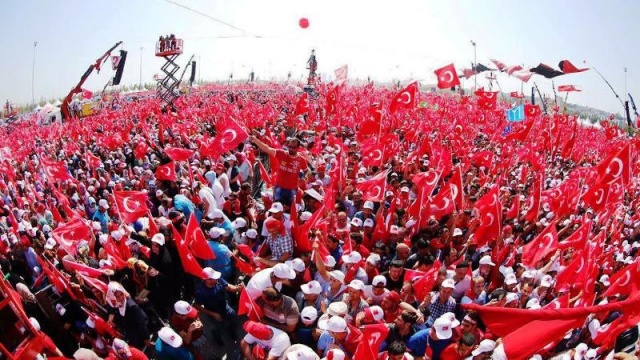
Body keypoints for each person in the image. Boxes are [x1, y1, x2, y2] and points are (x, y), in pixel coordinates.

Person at [249, 135, 308, 207]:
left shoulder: (302, 160)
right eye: (289, 146)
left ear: (298, 148)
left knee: (289, 209)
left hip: (292, 190)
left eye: (293, 147)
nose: (291, 149)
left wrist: (301, 177)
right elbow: (267, 149)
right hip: (279, 188)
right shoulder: (282, 153)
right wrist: (255, 140)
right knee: (276, 209)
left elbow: (306, 170)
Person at [193, 267, 243, 347]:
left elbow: (229, 287)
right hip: (213, 312)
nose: (217, 279)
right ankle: (217, 338)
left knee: (233, 318)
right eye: (214, 278)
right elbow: (197, 306)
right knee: (218, 327)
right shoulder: (200, 292)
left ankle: (231, 332)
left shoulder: (218, 279)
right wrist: (214, 314)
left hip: (225, 307)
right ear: (207, 280)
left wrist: (237, 288)